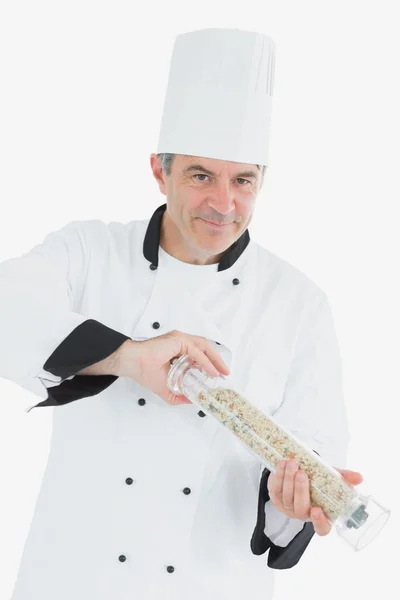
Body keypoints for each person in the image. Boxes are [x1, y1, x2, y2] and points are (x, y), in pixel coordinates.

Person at [0, 28, 362, 600]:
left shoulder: (298, 304)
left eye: (243, 180)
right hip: (72, 577)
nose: (224, 204)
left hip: (209, 584)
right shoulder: (89, 253)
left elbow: (315, 442)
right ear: (158, 170)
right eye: (200, 176)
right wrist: (128, 358)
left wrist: (291, 498)